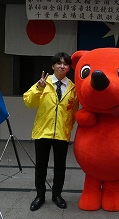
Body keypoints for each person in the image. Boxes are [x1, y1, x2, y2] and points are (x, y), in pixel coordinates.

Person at [23, 52, 79, 211]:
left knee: (60, 167)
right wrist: (38, 89)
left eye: (66, 64)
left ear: (69, 67)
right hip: (43, 132)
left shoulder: (73, 88)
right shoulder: (43, 83)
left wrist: (68, 127)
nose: (62, 66)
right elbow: (29, 102)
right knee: (41, 166)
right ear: (53, 66)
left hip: (62, 133)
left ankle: (57, 195)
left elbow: (74, 111)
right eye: (59, 63)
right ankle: (40, 195)